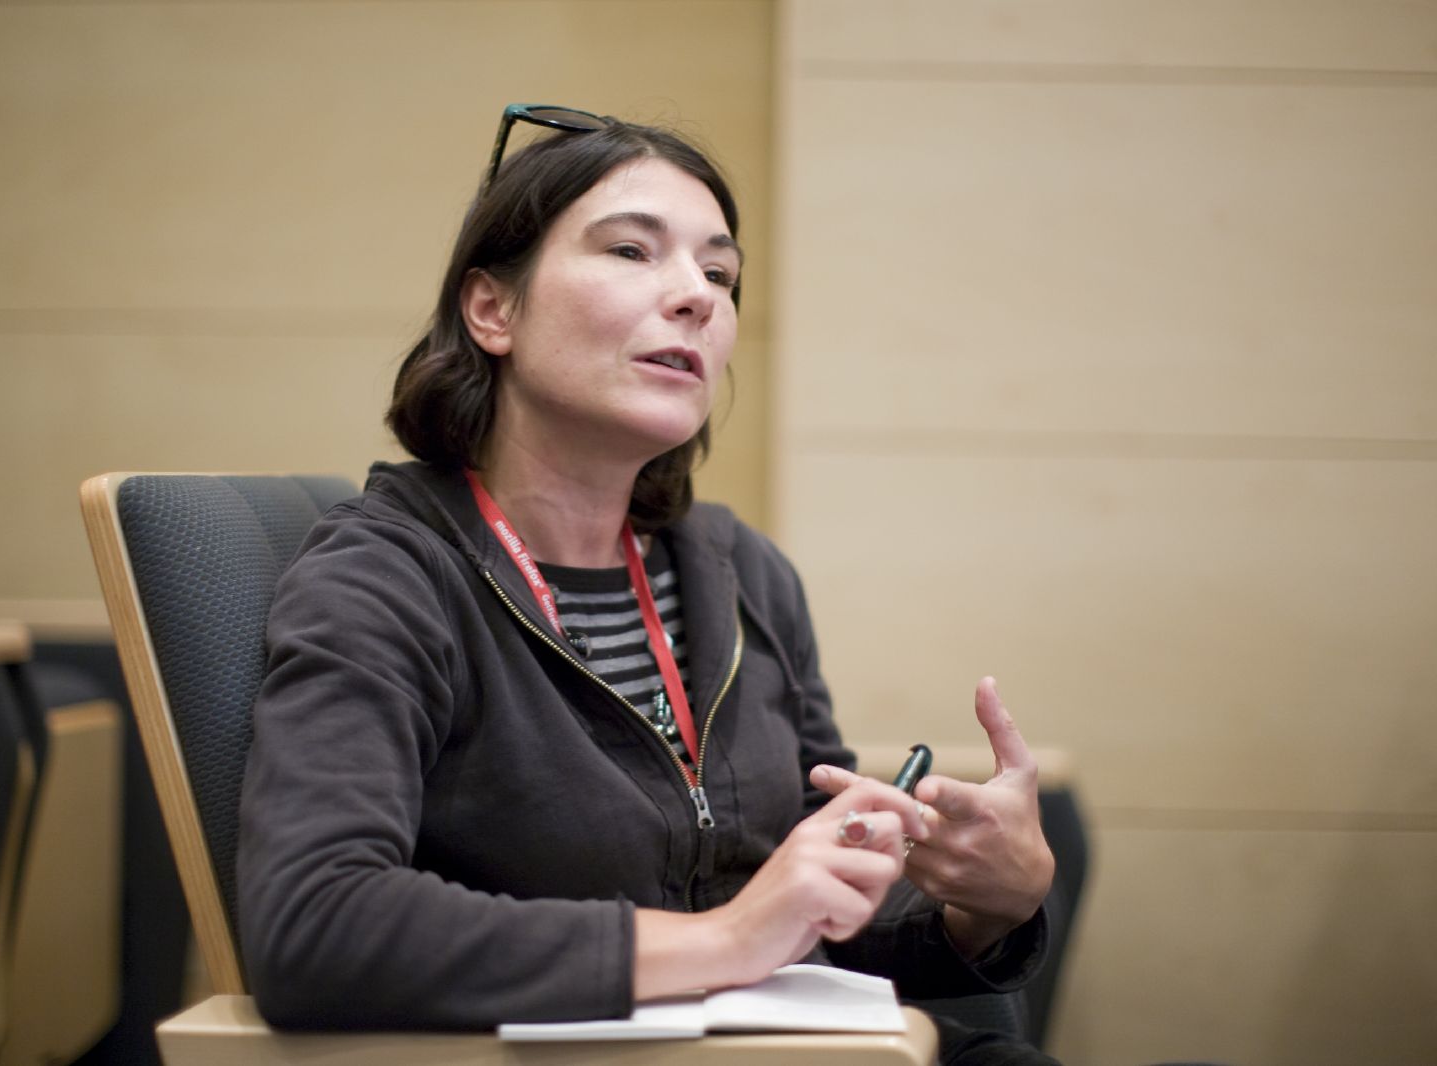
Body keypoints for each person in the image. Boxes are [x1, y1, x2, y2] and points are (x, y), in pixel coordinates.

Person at [237, 104, 1059, 1064]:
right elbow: (316, 924)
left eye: (719, 274)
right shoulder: (385, 575)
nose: (697, 297)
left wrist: (984, 908)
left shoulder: (739, 571)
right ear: (491, 310)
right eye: (633, 252)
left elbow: (815, 919)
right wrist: (721, 942)